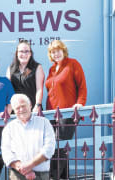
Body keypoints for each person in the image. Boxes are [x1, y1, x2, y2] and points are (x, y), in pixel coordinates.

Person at [45, 40, 87, 179]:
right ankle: (64, 177)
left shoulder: (73, 64)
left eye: (57, 50)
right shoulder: (52, 69)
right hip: (51, 114)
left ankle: (53, 176)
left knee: (60, 147)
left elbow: (82, 85)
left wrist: (80, 103)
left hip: (67, 113)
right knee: (56, 147)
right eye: (52, 52)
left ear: (63, 50)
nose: (55, 54)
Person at [1, 94, 55, 180]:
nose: (21, 110)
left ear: (30, 105)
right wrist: (24, 170)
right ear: (14, 110)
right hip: (17, 175)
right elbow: (6, 153)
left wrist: (29, 165)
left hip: (41, 175)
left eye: (23, 106)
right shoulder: (9, 128)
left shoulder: (44, 123)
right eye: (17, 108)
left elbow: (49, 149)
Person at [6, 40, 44, 111]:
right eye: (21, 51)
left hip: (32, 108)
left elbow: (39, 89)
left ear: (30, 54)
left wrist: (37, 105)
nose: (24, 54)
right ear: (17, 53)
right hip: (16, 109)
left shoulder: (37, 67)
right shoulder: (10, 69)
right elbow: (8, 91)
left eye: (27, 51)